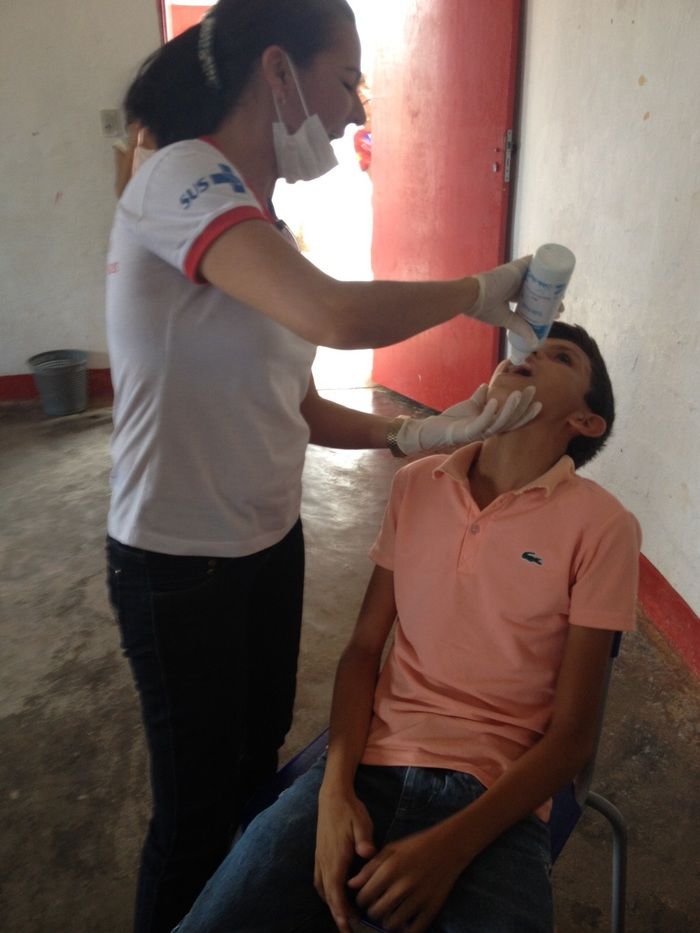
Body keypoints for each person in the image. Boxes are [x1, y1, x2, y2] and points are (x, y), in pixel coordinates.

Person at [105, 2, 543, 930]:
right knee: (192, 816)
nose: (355, 109)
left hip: (268, 542)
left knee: (253, 777)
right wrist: (478, 292)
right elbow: (336, 317)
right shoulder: (179, 178)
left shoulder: (261, 220)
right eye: (345, 79)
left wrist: (414, 436)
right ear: (277, 72)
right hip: (178, 563)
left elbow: (295, 407)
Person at [172, 322, 642, 933]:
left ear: (585, 421)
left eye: (562, 357)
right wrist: (334, 793)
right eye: (529, 345)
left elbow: (574, 738)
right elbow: (364, 649)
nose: (531, 354)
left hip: (499, 801)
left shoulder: (603, 527)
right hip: (369, 765)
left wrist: (452, 846)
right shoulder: (417, 484)